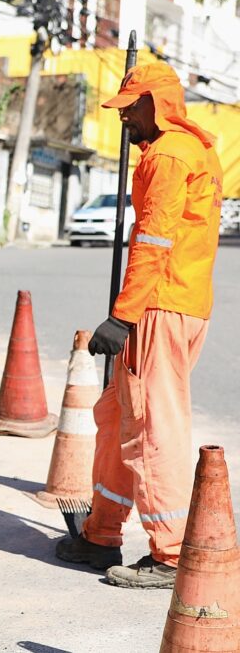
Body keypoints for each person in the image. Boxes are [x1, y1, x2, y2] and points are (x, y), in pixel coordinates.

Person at [55, 61, 223, 589]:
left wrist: (122, 317)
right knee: (115, 416)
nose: (123, 117)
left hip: (158, 307)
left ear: (157, 102)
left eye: (131, 107)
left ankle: (171, 553)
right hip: (178, 304)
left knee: (153, 428)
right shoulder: (192, 150)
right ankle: (101, 533)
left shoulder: (169, 156)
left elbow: (153, 242)